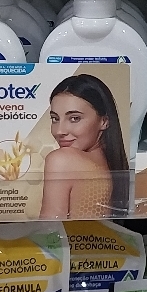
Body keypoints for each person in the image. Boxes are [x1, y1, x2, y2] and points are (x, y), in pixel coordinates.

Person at [39, 74, 129, 219]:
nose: (59, 131)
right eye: (55, 119)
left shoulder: (62, 160)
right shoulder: (110, 167)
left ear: (104, 121)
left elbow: (49, 229)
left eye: (75, 118)